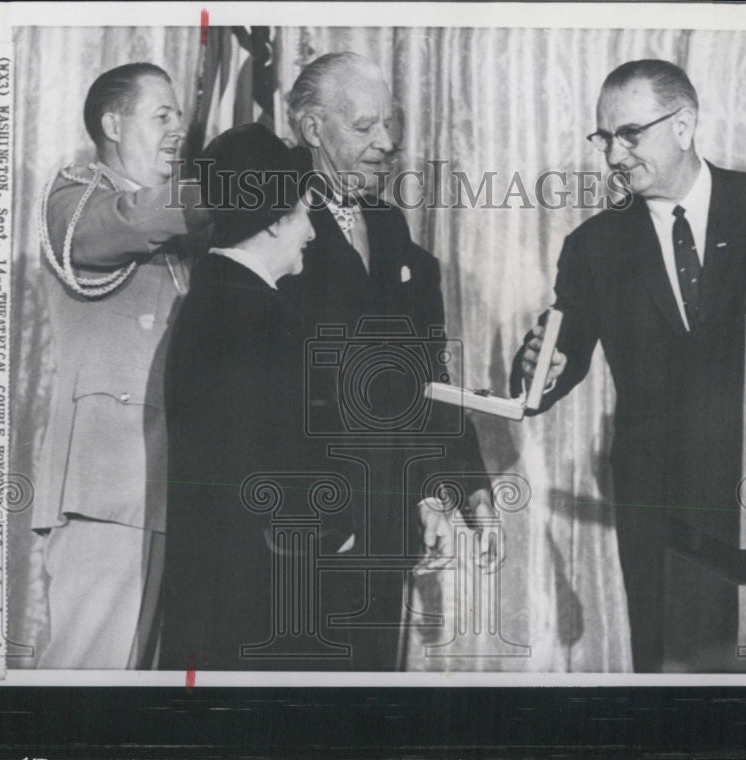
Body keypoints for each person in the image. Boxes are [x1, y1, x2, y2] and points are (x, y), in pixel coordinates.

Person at [512, 59, 746, 672]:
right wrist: (539, 365)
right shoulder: (593, 246)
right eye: (604, 137)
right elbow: (555, 367)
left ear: (684, 123)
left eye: (630, 134)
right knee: (666, 671)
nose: (614, 155)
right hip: (656, 500)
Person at [279, 52, 501, 671]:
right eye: (364, 127)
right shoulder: (269, 225)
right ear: (311, 128)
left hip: (388, 531)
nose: (386, 144)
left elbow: (425, 375)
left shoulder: (389, 223)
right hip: (299, 537)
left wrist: (465, 488)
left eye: (390, 125)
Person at [33, 62, 208, 669]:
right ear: (112, 123)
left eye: (179, 117)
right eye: (162, 115)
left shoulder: (183, 235)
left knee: (132, 695)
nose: (177, 130)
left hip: (168, 486)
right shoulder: (73, 201)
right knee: (83, 678)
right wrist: (236, 183)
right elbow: (132, 220)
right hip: (105, 490)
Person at [158, 123, 324, 670]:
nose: (312, 233)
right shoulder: (266, 314)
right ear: (277, 222)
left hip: (205, 590)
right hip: (256, 595)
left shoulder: (210, 296)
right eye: (303, 215)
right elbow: (283, 466)